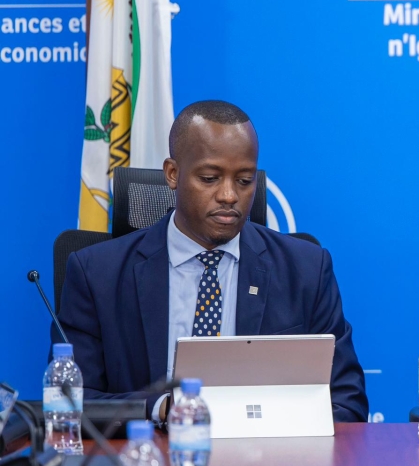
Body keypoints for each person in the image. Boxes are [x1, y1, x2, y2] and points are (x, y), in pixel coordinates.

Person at [57, 100, 369, 422]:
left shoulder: (306, 270)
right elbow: (71, 402)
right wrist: (160, 409)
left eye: (244, 181)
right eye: (209, 178)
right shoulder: (97, 274)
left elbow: (346, 403)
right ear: (173, 174)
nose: (229, 196)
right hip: (148, 458)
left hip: (269, 462)